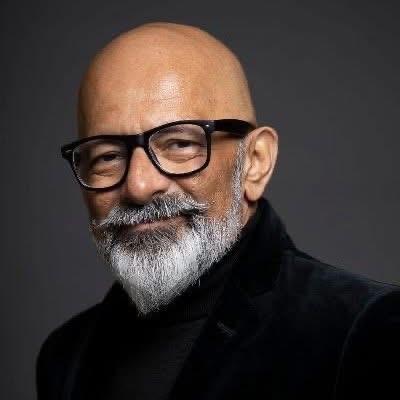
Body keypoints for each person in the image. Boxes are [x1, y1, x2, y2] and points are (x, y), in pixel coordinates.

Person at [36, 22, 400, 400]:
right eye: (107, 156)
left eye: (179, 144)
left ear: (255, 162)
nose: (139, 186)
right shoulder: (65, 356)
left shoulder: (366, 331)